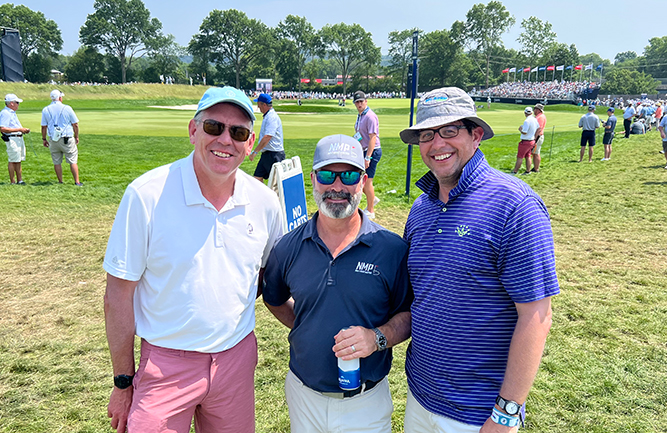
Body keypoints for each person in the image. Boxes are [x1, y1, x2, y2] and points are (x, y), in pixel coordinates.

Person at [103, 86, 283, 433]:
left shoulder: (265, 202)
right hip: (165, 364)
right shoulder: (146, 195)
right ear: (193, 130)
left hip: (235, 359)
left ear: (250, 143)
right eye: (214, 127)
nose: (225, 140)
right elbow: (118, 295)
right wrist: (123, 382)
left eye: (238, 132)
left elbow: (264, 274)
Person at [399, 87, 559, 433]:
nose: (437, 144)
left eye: (449, 130)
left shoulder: (515, 205)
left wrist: (506, 414)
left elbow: (536, 316)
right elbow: (421, 297)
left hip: (479, 413)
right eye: (426, 135)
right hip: (420, 397)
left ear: (476, 135)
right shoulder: (421, 208)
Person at [262, 134, 412, 433]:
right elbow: (274, 298)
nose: (338, 187)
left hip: (366, 401)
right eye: (327, 175)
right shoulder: (288, 246)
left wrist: (377, 338)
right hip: (304, 395)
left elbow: (408, 315)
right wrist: (307, 325)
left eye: (350, 176)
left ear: (363, 181)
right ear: (313, 179)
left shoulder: (391, 248)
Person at [41, 90, 82, 185]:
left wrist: (44, 139)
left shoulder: (46, 109)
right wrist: (76, 136)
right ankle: (77, 181)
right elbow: (75, 124)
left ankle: (60, 181)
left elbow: (44, 126)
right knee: (72, 160)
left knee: (57, 161)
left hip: (53, 138)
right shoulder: (67, 108)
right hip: (67, 138)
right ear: (60, 98)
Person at [353, 90, 382, 218]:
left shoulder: (370, 116)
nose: (359, 104)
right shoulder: (360, 116)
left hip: (372, 151)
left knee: (367, 181)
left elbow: (373, 138)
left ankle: (371, 210)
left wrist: (368, 157)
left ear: (366, 101)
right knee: (362, 181)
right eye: (357, 102)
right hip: (363, 150)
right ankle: (372, 198)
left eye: (361, 101)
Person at [250, 93, 285, 182]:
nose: (258, 107)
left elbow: (267, 137)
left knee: (276, 182)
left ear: (264, 105)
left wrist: (255, 152)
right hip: (266, 154)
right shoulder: (268, 116)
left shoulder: (271, 117)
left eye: (259, 104)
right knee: (257, 178)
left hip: (274, 154)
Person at [0, 93, 30, 185]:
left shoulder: (11, 112)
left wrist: (22, 130)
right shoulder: (5, 113)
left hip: (17, 137)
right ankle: (13, 181)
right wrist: (20, 129)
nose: (18, 105)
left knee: (18, 159)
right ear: (11, 103)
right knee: (13, 160)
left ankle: (19, 180)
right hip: (12, 138)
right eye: (17, 102)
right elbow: (2, 128)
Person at [511, 106, 538, 175]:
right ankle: (528, 171)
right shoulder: (534, 119)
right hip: (531, 140)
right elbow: (538, 128)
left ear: (525, 113)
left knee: (520, 157)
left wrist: (520, 129)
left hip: (525, 141)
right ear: (531, 112)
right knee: (528, 156)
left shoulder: (527, 121)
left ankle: (515, 171)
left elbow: (524, 132)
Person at [531, 103, 547, 172]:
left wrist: (535, 138)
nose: (533, 110)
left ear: (538, 110)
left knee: (536, 153)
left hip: (538, 136)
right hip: (538, 136)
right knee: (535, 153)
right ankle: (535, 167)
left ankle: (536, 168)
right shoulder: (539, 116)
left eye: (534, 109)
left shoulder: (540, 117)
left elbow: (539, 128)